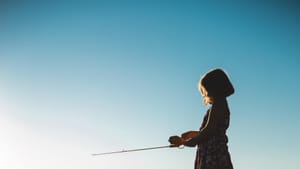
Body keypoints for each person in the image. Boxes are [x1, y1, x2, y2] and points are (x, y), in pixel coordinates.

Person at [168, 68, 234, 169]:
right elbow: (211, 132)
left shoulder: (219, 103)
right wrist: (191, 134)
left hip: (214, 155)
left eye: (206, 90)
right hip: (211, 153)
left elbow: (209, 131)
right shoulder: (218, 105)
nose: (205, 94)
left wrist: (185, 142)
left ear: (214, 88)